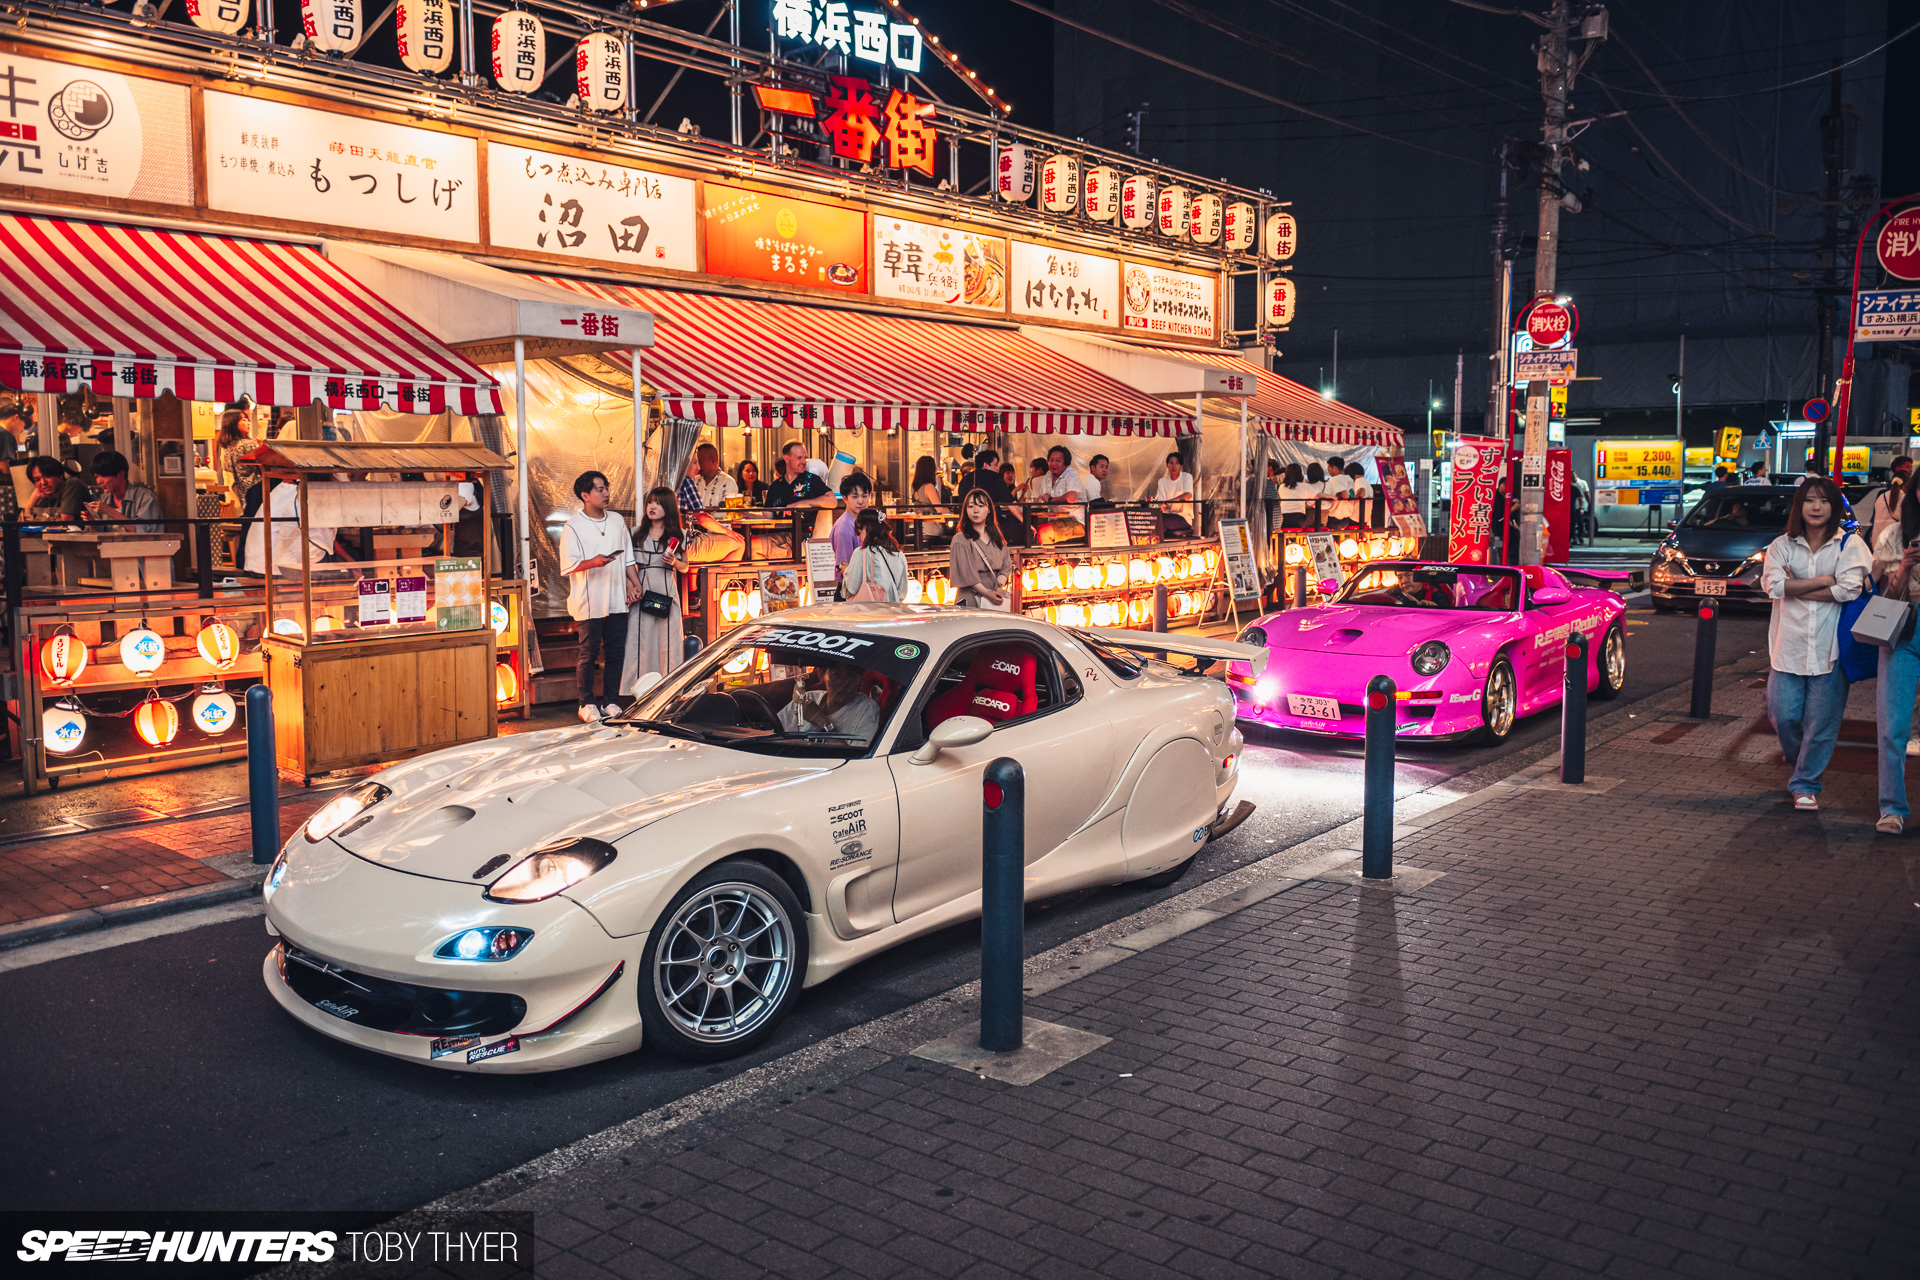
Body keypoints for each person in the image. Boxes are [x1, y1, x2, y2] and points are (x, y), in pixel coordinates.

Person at [1762, 476, 1870, 813]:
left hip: (1831, 648)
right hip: (1787, 646)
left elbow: (1849, 590)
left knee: (1821, 723)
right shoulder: (1782, 545)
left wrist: (1800, 585)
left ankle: (1805, 784)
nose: (1817, 506)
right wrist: (1826, 580)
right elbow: (1775, 587)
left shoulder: (1849, 545)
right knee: (1784, 715)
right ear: (1800, 505)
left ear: (1835, 506)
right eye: (1810, 500)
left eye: (1824, 500)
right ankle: (1801, 768)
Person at [560, 469, 642, 723]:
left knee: (616, 652)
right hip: (589, 600)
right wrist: (593, 562)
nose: (606, 493)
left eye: (607, 487)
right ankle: (586, 703)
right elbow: (567, 566)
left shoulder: (617, 520)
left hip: (617, 598)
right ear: (585, 495)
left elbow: (628, 557)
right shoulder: (572, 527)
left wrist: (635, 583)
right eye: (600, 489)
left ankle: (611, 702)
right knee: (589, 652)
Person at [620, 486, 692, 699]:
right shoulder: (634, 533)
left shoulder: (680, 535)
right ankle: (634, 691)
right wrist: (630, 585)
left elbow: (686, 567)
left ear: (668, 507)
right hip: (641, 587)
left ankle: (668, 691)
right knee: (638, 638)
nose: (652, 507)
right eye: (650, 502)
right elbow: (625, 563)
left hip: (667, 589)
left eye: (659, 503)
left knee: (667, 640)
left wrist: (676, 561)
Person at [241, 475, 352, 575]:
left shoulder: (287, 488)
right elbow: (321, 542)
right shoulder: (308, 493)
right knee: (341, 571)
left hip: (258, 564)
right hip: (275, 569)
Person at [779, 660, 882, 744]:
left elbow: (858, 760)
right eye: (836, 674)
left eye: (851, 674)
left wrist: (823, 722)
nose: (844, 682)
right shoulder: (806, 698)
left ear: (859, 678)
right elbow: (773, 731)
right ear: (821, 675)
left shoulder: (867, 709)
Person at [949, 489, 1011, 609]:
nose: (975, 510)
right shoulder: (960, 539)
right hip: (971, 596)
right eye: (971, 506)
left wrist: (998, 587)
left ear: (989, 510)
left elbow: (1006, 566)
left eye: (981, 506)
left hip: (994, 596)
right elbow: (967, 573)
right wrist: (987, 593)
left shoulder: (997, 538)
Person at [841, 507, 910, 601]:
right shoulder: (899, 555)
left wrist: (846, 571)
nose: (860, 538)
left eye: (859, 533)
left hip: (869, 612)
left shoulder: (861, 553)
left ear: (864, 528)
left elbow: (851, 588)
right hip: (892, 612)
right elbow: (902, 593)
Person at [85, 451, 163, 533]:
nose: (99, 481)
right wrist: (92, 521)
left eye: (104, 476)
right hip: (111, 546)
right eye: (96, 477)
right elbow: (102, 532)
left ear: (121, 474)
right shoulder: (105, 498)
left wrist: (109, 510)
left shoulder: (145, 497)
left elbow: (141, 531)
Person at [830, 472, 875, 580]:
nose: (861, 501)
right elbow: (846, 567)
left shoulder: (866, 521)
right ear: (845, 498)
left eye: (864, 496)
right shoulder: (844, 527)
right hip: (850, 589)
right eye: (855, 497)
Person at [766, 440, 835, 510]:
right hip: (781, 521)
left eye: (805, 458)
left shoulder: (811, 480)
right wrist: (754, 515)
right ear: (786, 459)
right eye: (799, 458)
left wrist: (802, 503)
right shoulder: (775, 486)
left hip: (805, 521)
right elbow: (767, 516)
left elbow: (832, 501)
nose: (804, 462)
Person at [24, 455, 86, 520]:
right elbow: (24, 524)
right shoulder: (48, 496)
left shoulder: (72, 485)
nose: (43, 483)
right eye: (37, 480)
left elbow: (66, 522)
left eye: (47, 476)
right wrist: (32, 500)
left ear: (60, 475)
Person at [685, 443, 738, 510]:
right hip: (694, 520)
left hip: (719, 521)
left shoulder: (728, 482)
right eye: (695, 463)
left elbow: (727, 510)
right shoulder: (694, 481)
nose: (698, 467)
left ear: (713, 460)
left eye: (700, 462)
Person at [1157, 452, 1196, 536]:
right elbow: (1160, 503)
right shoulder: (1162, 482)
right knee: (1154, 519)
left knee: (1160, 521)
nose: (1173, 466)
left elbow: (1188, 495)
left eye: (1177, 463)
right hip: (1167, 515)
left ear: (1181, 466)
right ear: (1167, 465)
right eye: (1171, 463)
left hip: (1183, 517)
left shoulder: (1187, 477)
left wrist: (1168, 502)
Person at [1275, 463, 1313, 529]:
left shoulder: (1281, 487)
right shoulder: (1304, 486)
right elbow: (1315, 498)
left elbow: (1278, 500)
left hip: (1284, 518)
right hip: (1299, 519)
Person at [1321, 456, 1355, 528]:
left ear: (1334, 468)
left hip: (1335, 516)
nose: (1329, 473)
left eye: (1329, 469)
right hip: (1347, 516)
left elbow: (1345, 495)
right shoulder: (1350, 479)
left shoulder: (1335, 479)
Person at [1344, 462, 1374, 529]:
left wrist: (1353, 499)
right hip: (1364, 519)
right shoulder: (1367, 483)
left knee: (1336, 519)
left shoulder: (1358, 480)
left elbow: (1361, 492)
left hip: (1355, 518)